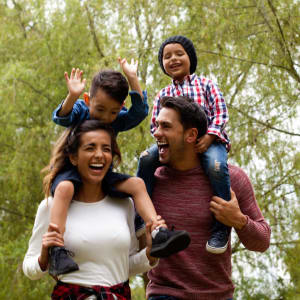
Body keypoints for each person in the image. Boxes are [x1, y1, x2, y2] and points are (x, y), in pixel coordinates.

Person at [49, 58, 190, 276]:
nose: (106, 118)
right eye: (101, 109)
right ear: (88, 100)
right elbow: (61, 118)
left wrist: (133, 78)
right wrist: (72, 96)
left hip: (102, 175)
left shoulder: (116, 120)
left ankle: (158, 231)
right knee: (65, 189)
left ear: (120, 108)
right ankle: (56, 250)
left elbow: (140, 112)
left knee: (137, 183)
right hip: (70, 173)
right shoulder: (81, 109)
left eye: (113, 112)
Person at [23, 120, 165, 299]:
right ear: (73, 157)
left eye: (106, 149)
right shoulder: (51, 206)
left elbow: (126, 266)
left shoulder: (125, 205)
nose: (99, 155)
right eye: (90, 148)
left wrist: (150, 255)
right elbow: (29, 268)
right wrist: (44, 256)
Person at [146, 96, 271, 300]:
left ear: (191, 135)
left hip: (218, 295)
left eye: (165, 126)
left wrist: (239, 220)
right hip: (164, 294)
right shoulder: (150, 182)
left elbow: (263, 241)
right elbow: (130, 246)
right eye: (157, 125)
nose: (156, 133)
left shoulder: (232, 179)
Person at [137, 35, 231, 254]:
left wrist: (209, 136)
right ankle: (140, 217)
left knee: (216, 167)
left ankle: (221, 227)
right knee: (146, 159)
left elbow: (221, 114)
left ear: (191, 58)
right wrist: (164, 140)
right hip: (174, 144)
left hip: (209, 141)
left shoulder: (206, 85)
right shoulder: (163, 94)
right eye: (167, 56)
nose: (173, 59)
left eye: (179, 54)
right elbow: (154, 126)